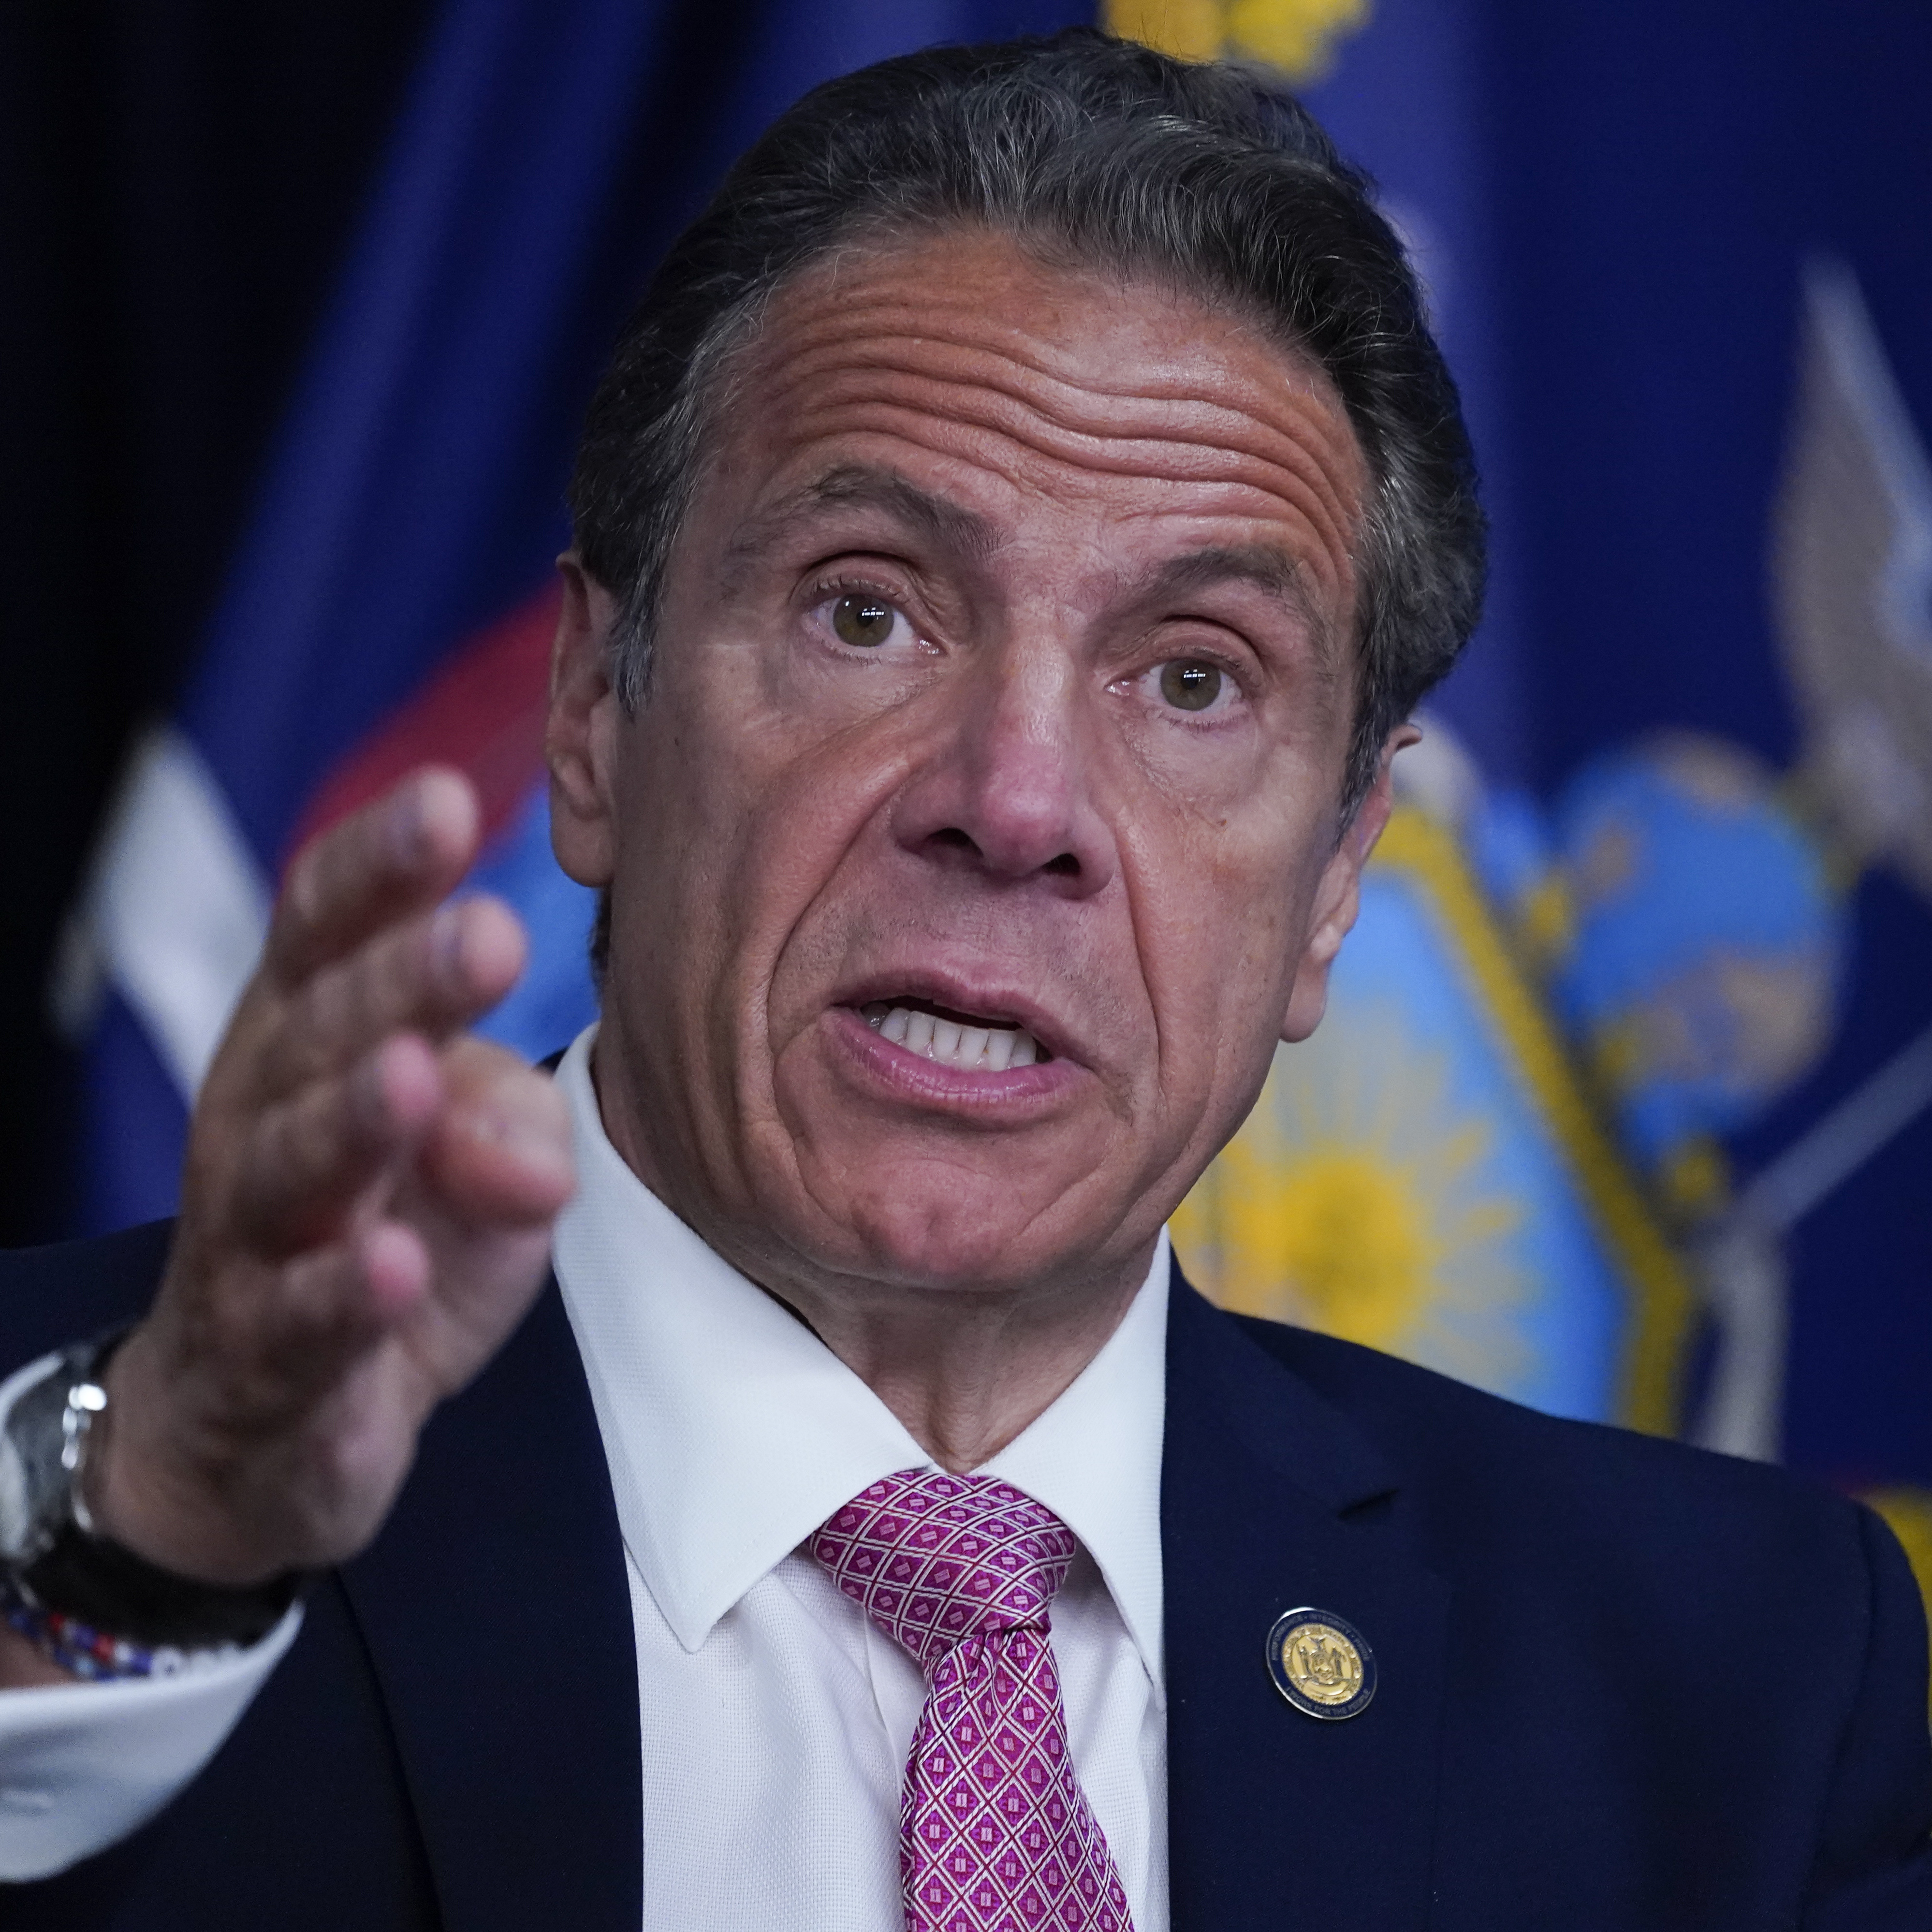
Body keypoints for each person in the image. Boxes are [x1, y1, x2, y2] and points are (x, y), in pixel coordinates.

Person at [0, 29, 1927, 1931]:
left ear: (1339, 877)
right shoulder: (126, 1475)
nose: (1014, 806)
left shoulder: (1736, 1696)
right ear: (593, 712)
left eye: (1193, 678)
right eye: (868, 611)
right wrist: (139, 1548)